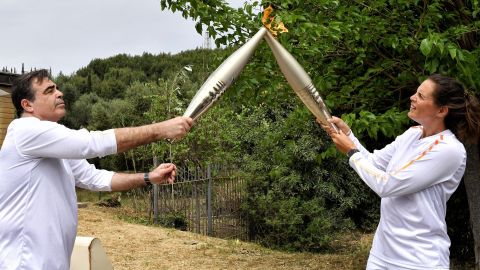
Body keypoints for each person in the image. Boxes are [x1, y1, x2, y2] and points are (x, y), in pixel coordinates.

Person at [0, 69, 193, 269]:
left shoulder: (52, 144)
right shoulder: (25, 130)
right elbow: (93, 143)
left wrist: (148, 177)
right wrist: (161, 130)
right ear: (27, 104)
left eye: (57, 88)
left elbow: (95, 178)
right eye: (49, 90)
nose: (59, 93)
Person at [320, 74, 480, 269]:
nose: (412, 97)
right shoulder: (412, 134)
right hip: (381, 255)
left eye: (421, 96)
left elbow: (387, 185)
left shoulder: (449, 150)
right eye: (416, 92)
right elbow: (374, 163)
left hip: (418, 261)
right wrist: (349, 135)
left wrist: (351, 151)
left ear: (441, 110)